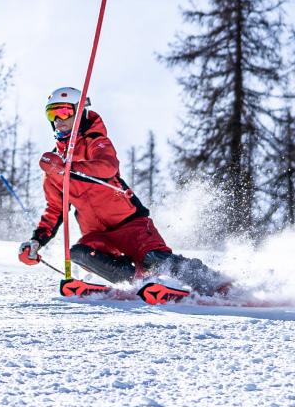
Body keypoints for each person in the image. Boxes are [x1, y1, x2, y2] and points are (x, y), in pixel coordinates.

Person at [18, 86, 229, 295]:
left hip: (131, 225)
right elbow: (55, 211)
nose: (59, 119)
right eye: (52, 113)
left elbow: (107, 166)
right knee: (80, 253)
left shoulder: (96, 142)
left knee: (153, 258)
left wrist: (69, 169)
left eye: (64, 111)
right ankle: (140, 282)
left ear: (80, 112)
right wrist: (36, 242)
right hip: (97, 235)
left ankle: (215, 283)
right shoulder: (53, 170)